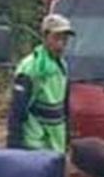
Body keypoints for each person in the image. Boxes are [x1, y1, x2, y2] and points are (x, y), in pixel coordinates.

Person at [6, 14, 74, 152]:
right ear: (45, 37)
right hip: (34, 144)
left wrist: (67, 137)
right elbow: (17, 110)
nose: (61, 44)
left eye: (64, 39)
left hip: (55, 144)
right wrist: (14, 145)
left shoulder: (62, 66)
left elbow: (63, 107)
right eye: (56, 38)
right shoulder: (31, 68)